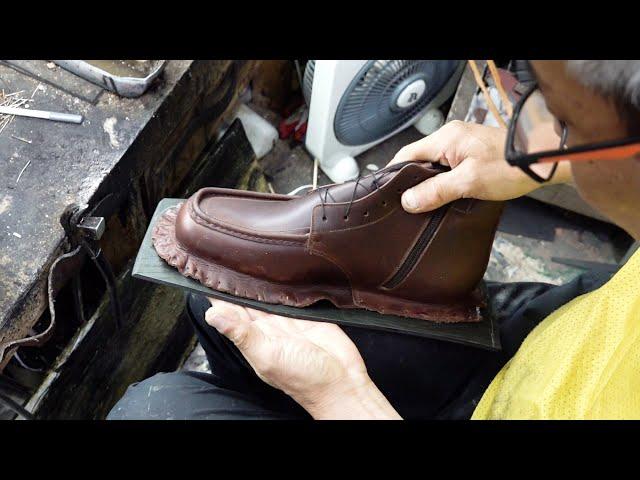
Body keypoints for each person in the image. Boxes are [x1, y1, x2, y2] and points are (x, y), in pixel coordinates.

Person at [108, 60, 640, 420]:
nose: (534, 129)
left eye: (559, 117)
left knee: (153, 409)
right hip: (551, 341)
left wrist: (343, 399)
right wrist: (542, 160)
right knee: (215, 296)